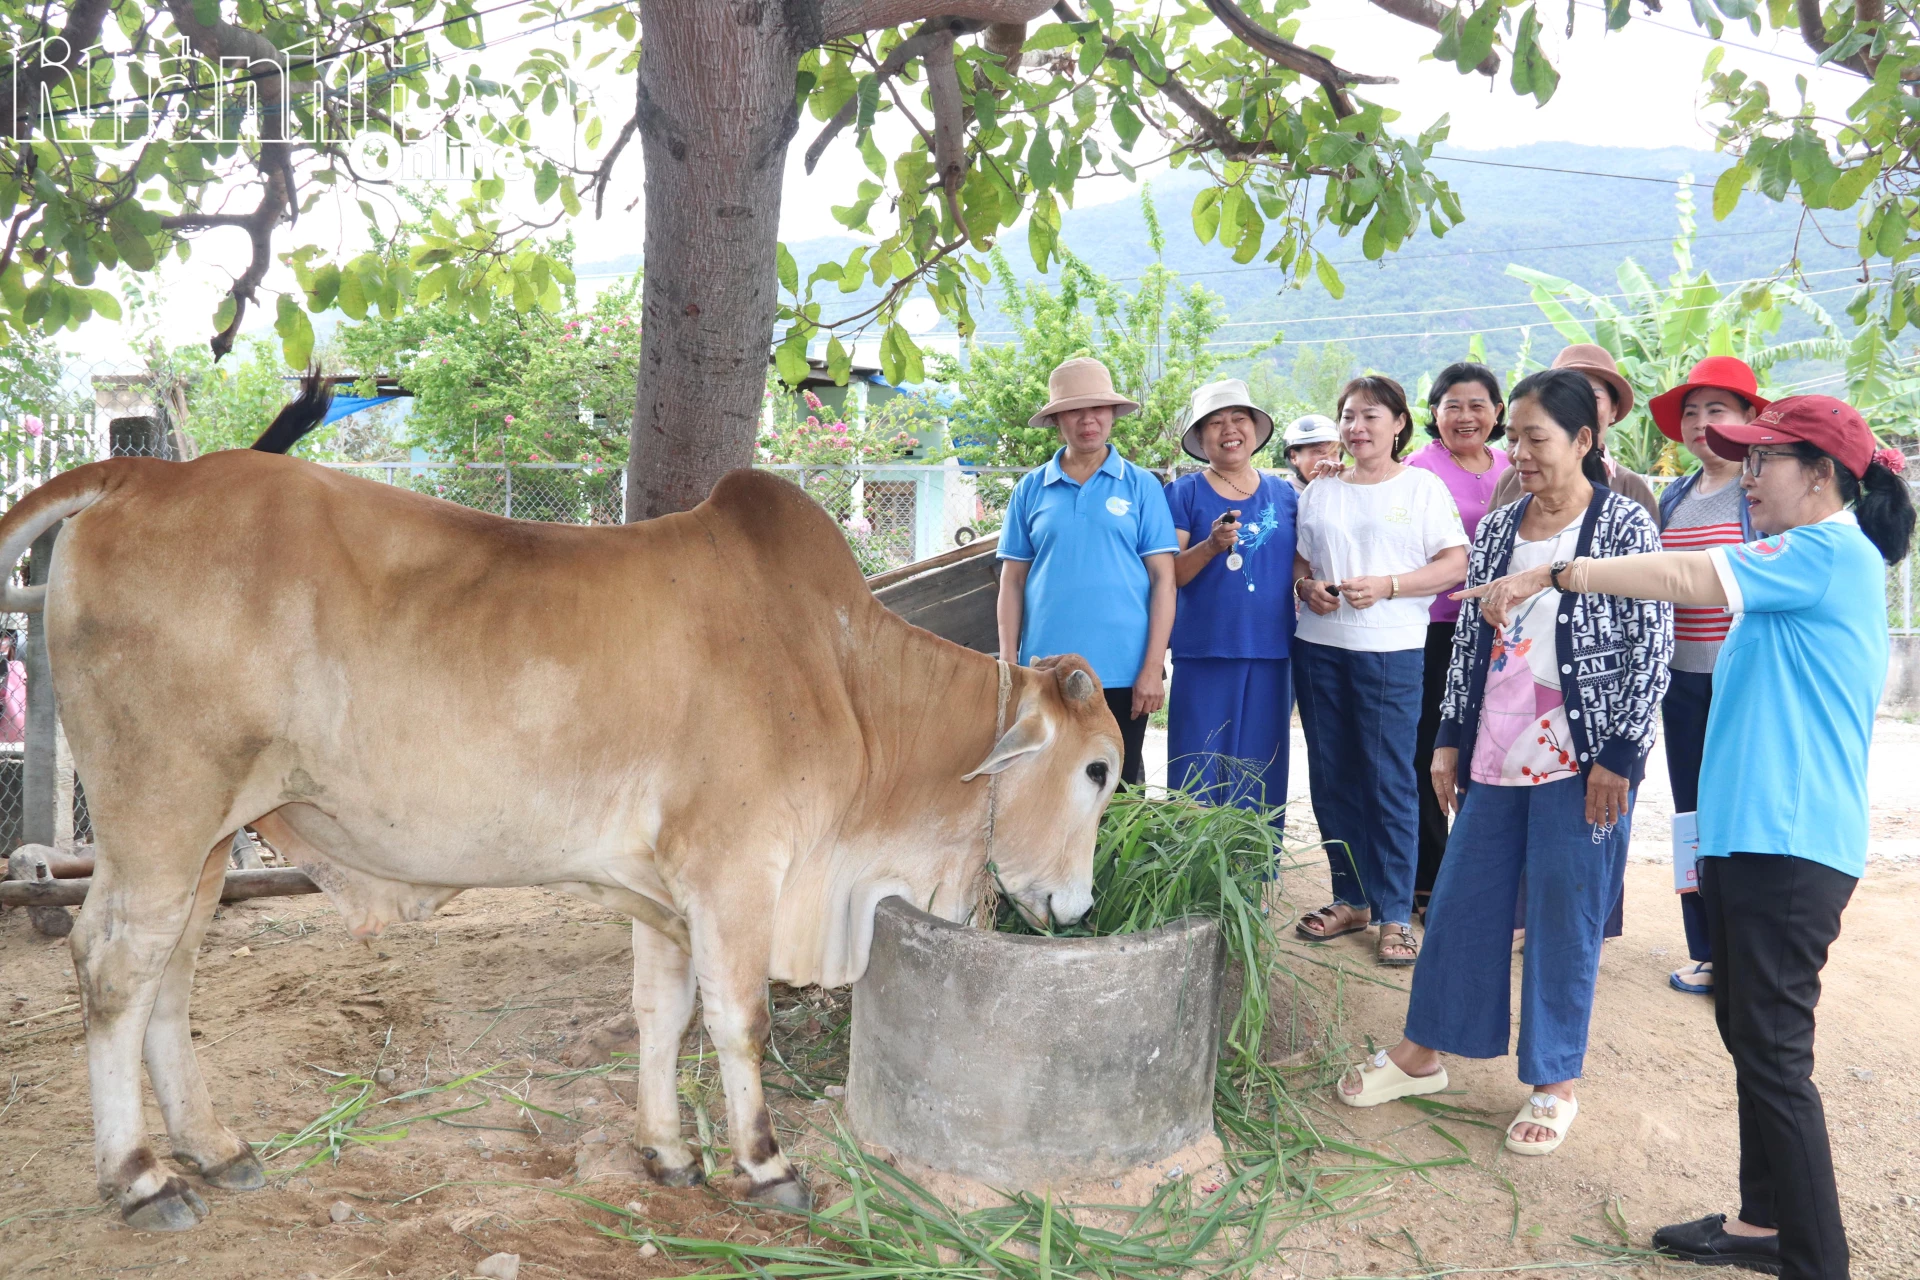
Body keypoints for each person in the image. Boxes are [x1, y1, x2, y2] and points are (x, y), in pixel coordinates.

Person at [1454, 395, 1913, 1280]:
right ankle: (1759, 1224)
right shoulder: (1806, 564)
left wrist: (1560, 575)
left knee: (1776, 1054)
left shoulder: (1824, 551)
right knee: (1748, 1033)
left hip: (1791, 845)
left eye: (1766, 461)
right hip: (1750, 841)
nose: (1749, 478)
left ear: (1821, 476)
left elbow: (1689, 579)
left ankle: (1817, 1262)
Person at [1334, 368, 1672, 1157]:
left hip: (1583, 756)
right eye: (1512, 437)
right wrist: (1450, 735)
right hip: (1495, 749)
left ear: (1584, 442)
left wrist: (1619, 756)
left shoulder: (1623, 525)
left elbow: (1652, 647)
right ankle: (1425, 1051)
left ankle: (1554, 1082)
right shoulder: (1501, 522)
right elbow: (1472, 641)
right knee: (1461, 900)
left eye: (1534, 438)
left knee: (1565, 911)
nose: (1515, 451)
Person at [1290, 376, 1468, 966]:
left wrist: (1390, 586)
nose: (1356, 427)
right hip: (1318, 645)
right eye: (1346, 416)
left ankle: (1395, 911)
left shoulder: (1421, 486)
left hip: (1391, 650)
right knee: (1331, 773)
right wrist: (1305, 586)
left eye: (1370, 416)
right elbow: (1304, 557)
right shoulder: (1321, 488)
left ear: (1398, 423)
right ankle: (1351, 897)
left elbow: (1453, 563)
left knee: (1388, 778)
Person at [997, 357, 1178, 788]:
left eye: (1098, 408)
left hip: (1121, 670)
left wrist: (1152, 667)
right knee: (1045, 786)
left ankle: (1114, 862)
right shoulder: (1030, 489)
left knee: (1116, 790)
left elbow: (1164, 580)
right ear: (1058, 420)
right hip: (1044, 670)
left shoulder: (1141, 486)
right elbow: (1012, 580)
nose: (1088, 420)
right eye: (1075, 410)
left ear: (1112, 415)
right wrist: (1008, 664)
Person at [1647, 356, 1763, 997]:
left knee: (1743, 813)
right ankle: (1709, 949)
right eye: (1691, 411)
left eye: (1716, 409)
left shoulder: (1760, 492)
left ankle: (1750, 951)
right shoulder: (1675, 496)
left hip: (1743, 681)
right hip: (1682, 681)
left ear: (1749, 419)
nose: (1699, 422)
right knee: (1693, 814)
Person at [1404, 363, 1511, 919]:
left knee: (1493, 749)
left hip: (1508, 634)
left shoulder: (1518, 465)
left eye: (1477, 405)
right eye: (1452, 406)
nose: (1465, 416)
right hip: (1435, 631)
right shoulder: (1415, 469)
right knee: (1430, 749)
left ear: (1498, 411)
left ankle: (1486, 872)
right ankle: (1430, 879)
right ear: (1434, 414)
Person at [1165, 379, 1299, 822]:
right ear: (1201, 439)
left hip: (1271, 651)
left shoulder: (1285, 495)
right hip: (1202, 651)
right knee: (1195, 771)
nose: (1229, 429)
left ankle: (1249, 876)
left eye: (1239, 418)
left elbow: (1301, 566)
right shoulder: (1184, 494)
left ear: (1255, 429)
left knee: (1261, 772)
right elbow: (1172, 576)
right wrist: (1210, 545)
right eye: (1215, 422)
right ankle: (1192, 882)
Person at [1489, 343, 1659, 520]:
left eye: (1593, 397)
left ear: (1614, 409)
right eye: (1566, 399)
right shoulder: (1511, 480)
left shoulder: (1632, 490)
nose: (1579, 408)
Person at [1281, 413, 1342, 492]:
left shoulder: (1342, 494)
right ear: (1294, 457)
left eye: (1334, 452)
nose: (1328, 461)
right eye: (1318, 452)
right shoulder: (1283, 498)